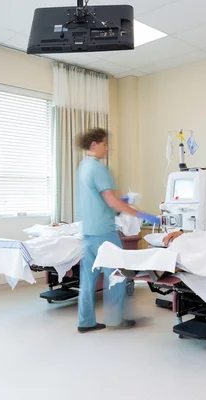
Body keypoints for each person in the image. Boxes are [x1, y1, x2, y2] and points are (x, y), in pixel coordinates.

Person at [76, 127, 160, 334]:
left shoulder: (83, 166)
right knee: (117, 274)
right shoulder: (98, 168)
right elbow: (112, 201)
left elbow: (99, 198)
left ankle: (85, 322)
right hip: (104, 232)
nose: (108, 148)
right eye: (105, 144)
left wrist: (119, 202)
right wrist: (140, 214)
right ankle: (115, 319)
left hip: (88, 231)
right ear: (94, 144)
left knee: (88, 279)